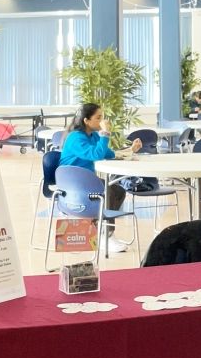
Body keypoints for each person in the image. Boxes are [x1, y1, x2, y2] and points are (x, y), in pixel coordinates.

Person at [60, 104, 143, 253]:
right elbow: (96, 154)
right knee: (109, 192)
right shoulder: (75, 138)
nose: (102, 121)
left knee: (118, 191)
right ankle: (106, 236)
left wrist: (130, 150)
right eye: (98, 118)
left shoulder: (92, 136)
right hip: (73, 186)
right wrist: (105, 133)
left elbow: (107, 153)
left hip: (85, 183)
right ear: (86, 120)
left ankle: (103, 230)